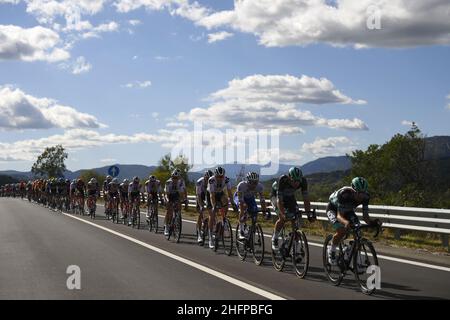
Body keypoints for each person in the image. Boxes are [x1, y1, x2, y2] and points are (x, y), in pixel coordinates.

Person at [326, 177, 381, 265]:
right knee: (341, 230)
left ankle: (350, 252)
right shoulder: (344, 194)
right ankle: (331, 250)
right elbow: (339, 216)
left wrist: (372, 223)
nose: (361, 196)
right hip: (334, 209)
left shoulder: (366, 197)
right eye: (359, 193)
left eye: (363, 193)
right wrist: (345, 222)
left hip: (348, 210)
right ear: (353, 191)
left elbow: (365, 217)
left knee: (358, 232)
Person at [271, 167, 311, 251]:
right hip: (276, 196)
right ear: (289, 177)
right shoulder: (282, 180)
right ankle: (275, 238)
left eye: (298, 181)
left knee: (296, 218)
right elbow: (279, 200)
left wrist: (308, 213)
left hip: (289, 197)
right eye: (294, 181)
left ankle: (293, 242)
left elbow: (306, 199)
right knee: (282, 218)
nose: (296, 183)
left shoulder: (303, 181)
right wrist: (282, 213)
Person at [206, 166, 236, 249]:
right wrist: (213, 206)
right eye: (218, 176)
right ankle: (210, 237)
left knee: (226, 200)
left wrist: (233, 203)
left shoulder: (226, 179)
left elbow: (229, 192)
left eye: (221, 176)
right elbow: (212, 195)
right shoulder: (211, 180)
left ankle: (224, 219)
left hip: (220, 193)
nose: (220, 178)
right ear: (215, 176)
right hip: (210, 194)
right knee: (212, 214)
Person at [234, 172, 267, 240]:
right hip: (239, 197)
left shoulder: (259, 186)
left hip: (250, 198)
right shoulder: (241, 185)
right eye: (251, 182)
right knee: (243, 208)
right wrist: (243, 208)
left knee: (255, 211)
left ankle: (252, 231)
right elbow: (241, 202)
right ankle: (241, 231)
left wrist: (264, 212)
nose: (253, 185)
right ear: (248, 181)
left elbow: (262, 200)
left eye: (255, 182)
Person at [163, 170, 185, 236]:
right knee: (169, 210)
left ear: (179, 178)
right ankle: (166, 226)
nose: (175, 179)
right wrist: (167, 200)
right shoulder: (168, 182)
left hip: (176, 194)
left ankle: (177, 217)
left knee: (178, 205)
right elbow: (167, 194)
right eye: (174, 178)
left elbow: (181, 193)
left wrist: (184, 199)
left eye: (176, 178)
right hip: (169, 195)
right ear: (171, 177)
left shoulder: (181, 182)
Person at [195, 170, 214, 244]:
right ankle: (199, 234)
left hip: (209, 195)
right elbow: (198, 196)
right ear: (204, 177)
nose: (207, 180)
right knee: (201, 212)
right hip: (201, 195)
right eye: (206, 179)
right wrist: (201, 205)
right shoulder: (200, 182)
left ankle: (211, 228)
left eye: (209, 179)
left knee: (212, 211)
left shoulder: (212, 181)